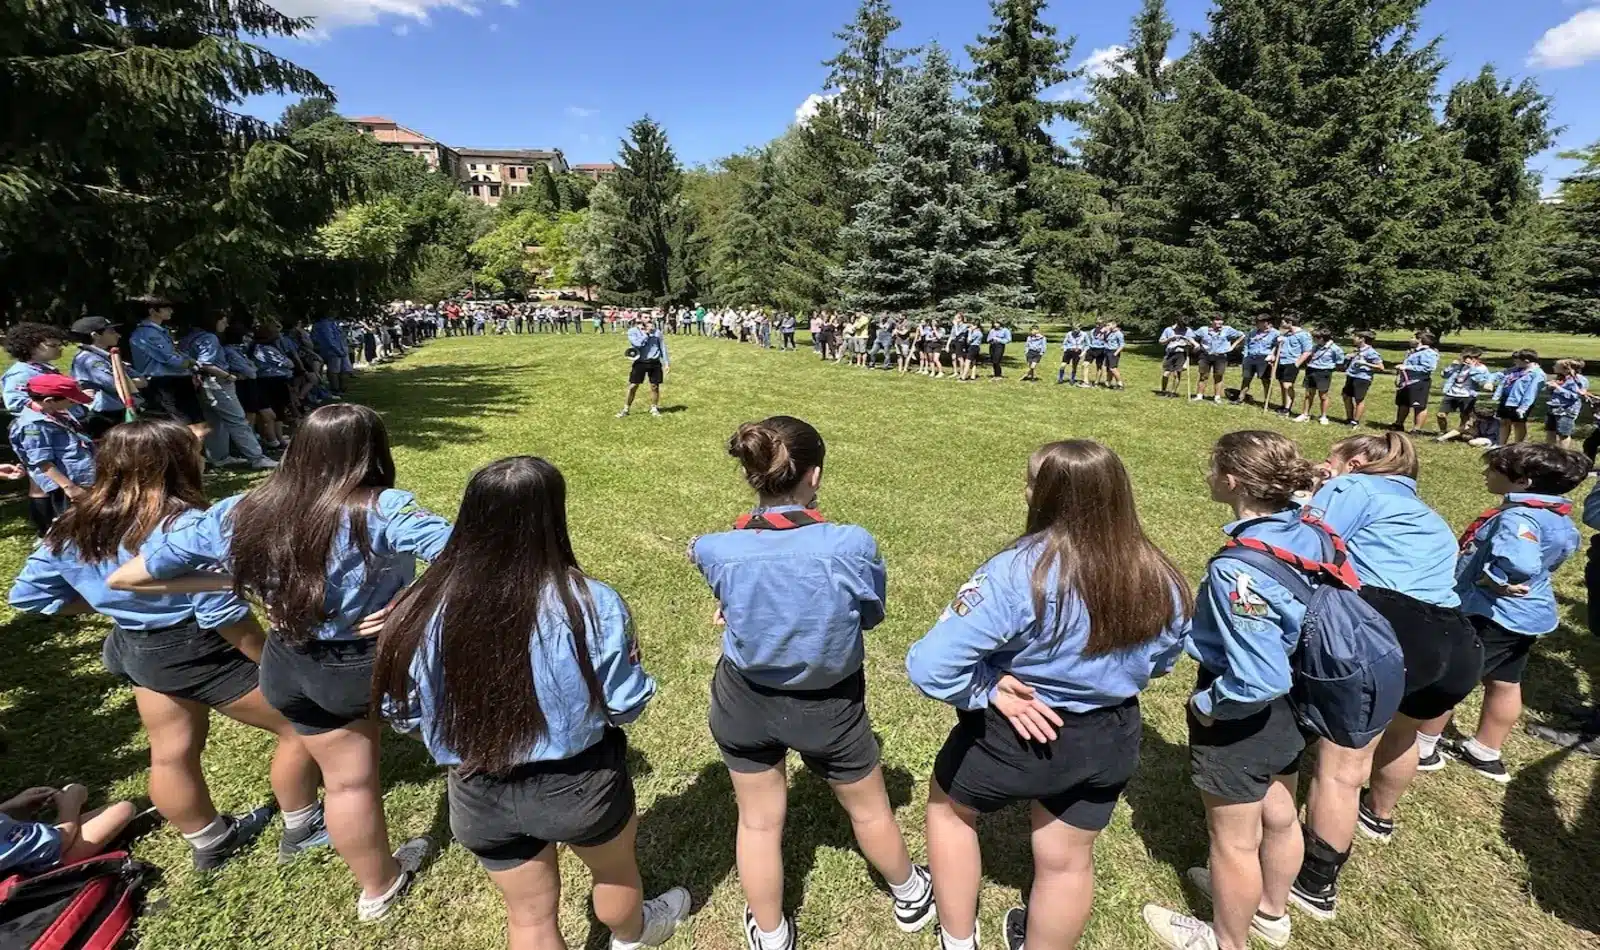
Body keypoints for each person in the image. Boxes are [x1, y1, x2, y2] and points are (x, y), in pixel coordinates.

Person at [107, 404, 452, 922]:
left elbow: (127, 578)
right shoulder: (383, 508)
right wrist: (412, 603)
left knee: (344, 782)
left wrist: (236, 581)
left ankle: (378, 889)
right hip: (361, 663)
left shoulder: (237, 510)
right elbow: (473, 557)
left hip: (287, 663)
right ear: (373, 451)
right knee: (426, 749)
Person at [373, 457, 691, 950]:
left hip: (478, 788)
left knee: (529, 916)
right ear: (552, 518)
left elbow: (404, 714)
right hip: (581, 784)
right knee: (616, 875)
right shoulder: (594, 603)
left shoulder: (418, 607)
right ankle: (632, 936)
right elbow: (624, 704)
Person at [9, 420, 330, 870]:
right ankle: (304, 824)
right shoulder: (188, 527)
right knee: (300, 724)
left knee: (171, 750)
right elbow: (223, 615)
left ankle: (210, 840)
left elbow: (29, 596)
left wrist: (110, 602)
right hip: (201, 648)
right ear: (175, 465)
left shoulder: (71, 524)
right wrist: (274, 664)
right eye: (193, 451)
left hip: (139, 648)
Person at [908, 440, 1191, 950]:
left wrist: (986, 687)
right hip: (1109, 736)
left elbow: (930, 665)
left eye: (1031, 482)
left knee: (950, 811)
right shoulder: (1161, 574)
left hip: (1016, 732)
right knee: (1067, 861)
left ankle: (957, 940)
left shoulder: (1019, 572)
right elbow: (1165, 661)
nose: (1024, 489)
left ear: (1050, 497)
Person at [687, 416, 934, 950]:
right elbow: (870, 613)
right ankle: (911, 891)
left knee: (757, 823)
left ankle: (771, 932)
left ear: (753, 474)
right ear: (814, 476)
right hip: (829, 705)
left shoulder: (712, 547)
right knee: (870, 809)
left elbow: (729, 597)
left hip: (744, 699)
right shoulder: (851, 544)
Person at [1289, 433, 1480, 919]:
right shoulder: (1424, 512)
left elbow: (1307, 541)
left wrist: (1314, 489)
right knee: (1405, 729)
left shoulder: (1352, 488)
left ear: (1352, 463)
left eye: (1329, 458)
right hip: (1455, 636)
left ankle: (1315, 881)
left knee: (1341, 764)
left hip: (1390, 627)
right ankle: (1379, 816)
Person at [1142, 431, 1319, 950]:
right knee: (1282, 812)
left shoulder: (1238, 568)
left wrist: (1207, 706)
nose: (1208, 476)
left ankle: (1225, 938)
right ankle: (1271, 911)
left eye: (1213, 467)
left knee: (1233, 842)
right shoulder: (1308, 529)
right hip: (1298, 696)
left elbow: (1258, 676)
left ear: (1232, 480)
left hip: (1249, 707)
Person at [1441, 443, 1586, 783]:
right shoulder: (1556, 515)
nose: (1485, 474)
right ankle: (1485, 750)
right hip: (1528, 615)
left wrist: (1495, 580)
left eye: (1493, 470)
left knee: (1450, 679)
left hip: (1492, 613)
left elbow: (1520, 560)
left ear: (1523, 482)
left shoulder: (1518, 517)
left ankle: (1422, 745)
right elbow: (1567, 547)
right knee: (1505, 681)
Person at [182, 312, 276, 471]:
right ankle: (257, 457)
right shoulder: (210, 338)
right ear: (214, 321)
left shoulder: (187, 338)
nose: (225, 326)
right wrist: (228, 376)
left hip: (198, 384)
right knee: (237, 420)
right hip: (217, 383)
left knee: (214, 422)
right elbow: (206, 363)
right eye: (223, 321)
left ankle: (219, 457)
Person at [10, 375, 97, 536]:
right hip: (66, 485)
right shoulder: (33, 425)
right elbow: (42, 462)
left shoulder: (54, 412)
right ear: (49, 400)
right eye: (71, 401)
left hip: (80, 477)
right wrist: (70, 488)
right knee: (73, 526)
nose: (74, 404)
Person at [0, 784, 137, 876]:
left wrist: (13, 805)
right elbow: (55, 843)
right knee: (123, 809)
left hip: (26, 852)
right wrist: (69, 806)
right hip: (43, 866)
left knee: (74, 790)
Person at [129, 297, 208, 441]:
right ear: (153, 311)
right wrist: (191, 363)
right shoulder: (146, 333)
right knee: (179, 423)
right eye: (166, 308)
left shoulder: (161, 331)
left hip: (177, 380)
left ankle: (195, 457)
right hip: (163, 382)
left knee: (195, 421)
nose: (171, 311)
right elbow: (171, 359)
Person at [69, 316, 140, 439]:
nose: (118, 335)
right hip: (104, 415)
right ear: (95, 335)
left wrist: (132, 382)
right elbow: (116, 385)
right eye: (111, 332)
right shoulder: (90, 359)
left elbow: (139, 378)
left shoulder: (106, 356)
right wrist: (134, 382)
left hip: (117, 411)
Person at [2, 322, 66, 414]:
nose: (60, 349)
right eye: (53, 346)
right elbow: (15, 401)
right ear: (31, 347)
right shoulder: (22, 373)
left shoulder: (46, 369)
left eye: (60, 345)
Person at [249, 322, 295, 450]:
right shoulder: (265, 349)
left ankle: (277, 438)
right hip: (272, 381)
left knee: (276, 411)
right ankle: (274, 439)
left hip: (270, 381)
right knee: (276, 411)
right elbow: (288, 363)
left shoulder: (256, 348)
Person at [1435, 348, 1493, 442]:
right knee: (1440, 415)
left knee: (1464, 417)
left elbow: (1480, 380)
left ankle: (1460, 433)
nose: (1466, 360)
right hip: (1452, 393)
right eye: (1465, 357)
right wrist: (1452, 366)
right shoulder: (1459, 366)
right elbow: (1444, 375)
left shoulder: (1481, 368)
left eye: (1469, 358)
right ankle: (1443, 432)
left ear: (1476, 358)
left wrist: (1472, 367)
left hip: (1467, 395)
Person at [618, 317, 670, 419]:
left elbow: (662, 347)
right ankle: (626, 409)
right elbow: (637, 344)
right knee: (633, 386)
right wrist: (646, 334)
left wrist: (666, 362)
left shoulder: (657, 332)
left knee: (655, 386)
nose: (648, 320)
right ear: (640, 319)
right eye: (646, 318)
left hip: (654, 362)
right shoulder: (633, 332)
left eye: (650, 318)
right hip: (640, 362)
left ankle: (654, 408)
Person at [1492, 349, 1545, 447]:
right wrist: (1489, 380)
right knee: (1504, 421)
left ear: (1526, 361)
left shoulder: (1537, 374)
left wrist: (1523, 407)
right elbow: (1500, 375)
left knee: (1518, 424)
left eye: (1517, 360)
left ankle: (1518, 445)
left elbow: (1531, 391)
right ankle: (1501, 444)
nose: (1514, 362)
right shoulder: (1516, 369)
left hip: (1520, 403)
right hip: (1507, 399)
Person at [1391, 331, 1440, 433]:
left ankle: (1417, 428)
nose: (1411, 339)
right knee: (1403, 404)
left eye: (1413, 337)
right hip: (1406, 382)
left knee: (1419, 406)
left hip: (1419, 382)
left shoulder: (1429, 353)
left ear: (1420, 340)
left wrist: (1407, 367)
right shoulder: (1413, 351)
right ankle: (1399, 424)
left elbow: (1428, 368)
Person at [1294, 331, 1344, 426]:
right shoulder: (1315, 347)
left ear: (1321, 338)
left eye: (1315, 338)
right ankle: (1305, 414)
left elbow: (1340, 362)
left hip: (1324, 372)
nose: (1313, 340)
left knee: (1323, 396)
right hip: (1311, 370)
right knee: (1308, 394)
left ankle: (1323, 416)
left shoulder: (1335, 349)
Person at [1194, 316, 1243, 404]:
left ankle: (1217, 397)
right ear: (1211, 321)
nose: (1220, 322)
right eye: (1217, 320)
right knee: (1203, 376)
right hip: (1205, 355)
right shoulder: (1203, 330)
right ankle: (1199, 396)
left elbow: (1241, 335)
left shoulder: (1227, 329)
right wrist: (1195, 345)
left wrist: (1232, 347)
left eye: (1221, 320)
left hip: (1220, 356)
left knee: (1218, 376)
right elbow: (1192, 336)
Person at [1340, 331, 1384, 427]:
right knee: (1346, 396)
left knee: (1358, 399)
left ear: (1362, 339)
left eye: (1355, 337)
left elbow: (1381, 367)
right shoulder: (1358, 350)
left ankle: (1355, 421)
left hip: (1362, 378)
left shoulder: (1371, 352)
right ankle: (1349, 418)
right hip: (1351, 375)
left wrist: (1365, 363)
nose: (1353, 338)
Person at [1543, 359, 1588, 450]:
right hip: (1553, 408)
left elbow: (1575, 396)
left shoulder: (1578, 380)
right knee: (1550, 431)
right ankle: (1549, 453)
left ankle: (1562, 454)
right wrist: (1550, 387)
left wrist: (1558, 388)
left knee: (1563, 433)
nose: (1553, 367)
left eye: (1556, 366)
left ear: (1566, 369)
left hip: (1566, 410)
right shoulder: (1561, 377)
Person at [1272, 318, 1313, 416]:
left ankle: (1287, 408)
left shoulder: (1303, 335)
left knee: (1287, 385)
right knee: (1282, 385)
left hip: (1292, 362)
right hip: (1281, 361)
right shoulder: (1286, 334)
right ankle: (1284, 405)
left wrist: (1297, 364)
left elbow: (1307, 351)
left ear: (1290, 323)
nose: (1281, 324)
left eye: (1283, 322)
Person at [1237, 318, 1280, 407]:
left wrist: (1272, 356)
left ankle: (1266, 402)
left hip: (1264, 358)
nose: (1256, 324)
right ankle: (1240, 398)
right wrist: (1245, 356)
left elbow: (1277, 347)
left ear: (1266, 323)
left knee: (1265, 380)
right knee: (1246, 378)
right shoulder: (1253, 332)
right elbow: (1247, 344)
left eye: (1258, 322)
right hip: (1250, 357)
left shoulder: (1275, 333)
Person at [312, 314, 351, 395]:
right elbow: (329, 339)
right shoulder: (324, 324)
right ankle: (335, 390)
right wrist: (338, 350)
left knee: (343, 370)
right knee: (334, 371)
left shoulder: (333, 323)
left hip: (339, 349)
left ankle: (341, 388)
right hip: (331, 351)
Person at [1159, 321, 1195, 398]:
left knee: (1177, 373)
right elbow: (1161, 342)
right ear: (1177, 323)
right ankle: (1163, 391)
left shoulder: (1188, 330)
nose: (1183, 328)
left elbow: (1192, 343)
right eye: (1181, 326)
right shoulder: (1168, 330)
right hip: (1170, 353)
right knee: (1166, 373)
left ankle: (1173, 392)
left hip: (1182, 353)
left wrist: (1189, 344)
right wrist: (1170, 339)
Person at [1103, 322, 1127, 390]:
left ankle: (1120, 384)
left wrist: (1115, 353)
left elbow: (1122, 345)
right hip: (1107, 351)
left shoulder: (1119, 333)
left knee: (1113, 369)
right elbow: (1103, 339)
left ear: (1114, 325)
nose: (1107, 326)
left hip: (1113, 352)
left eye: (1108, 325)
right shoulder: (1109, 332)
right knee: (1109, 369)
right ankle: (1108, 383)